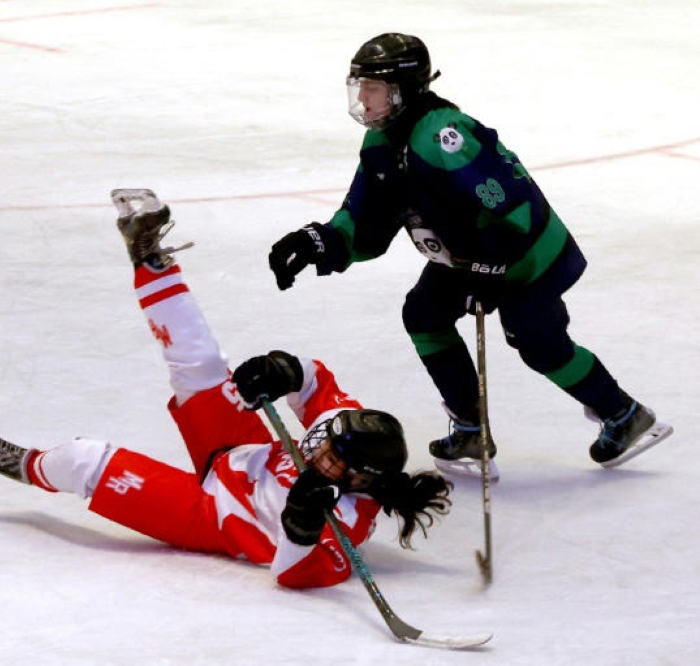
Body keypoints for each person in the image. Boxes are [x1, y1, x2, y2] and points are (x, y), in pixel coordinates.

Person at [0, 189, 454, 589]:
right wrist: (281, 370)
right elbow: (314, 380)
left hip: (211, 513)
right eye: (324, 443)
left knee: (81, 459)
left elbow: (290, 573)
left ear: (361, 480)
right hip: (238, 450)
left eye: (332, 459)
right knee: (200, 364)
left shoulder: (349, 522)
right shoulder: (344, 425)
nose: (320, 450)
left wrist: (301, 527)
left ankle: (30, 466)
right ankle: (150, 258)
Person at [267, 33, 672, 473]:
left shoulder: (444, 137)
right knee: (423, 315)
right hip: (470, 261)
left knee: (537, 342)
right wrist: (319, 242)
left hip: (528, 258)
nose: (363, 98)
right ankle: (470, 430)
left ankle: (625, 414)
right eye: (360, 86)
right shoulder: (381, 145)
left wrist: (495, 267)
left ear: (402, 90)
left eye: (373, 88)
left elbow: (513, 206)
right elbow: (364, 220)